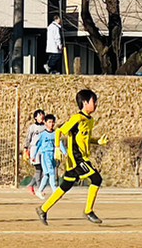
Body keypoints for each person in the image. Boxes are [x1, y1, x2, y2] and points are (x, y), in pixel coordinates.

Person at [37, 88, 109, 225]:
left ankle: (43, 209)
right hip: (77, 158)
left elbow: (84, 138)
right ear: (85, 102)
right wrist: (57, 148)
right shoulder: (77, 118)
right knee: (96, 178)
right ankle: (88, 211)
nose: (96, 104)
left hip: (81, 158)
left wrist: (97, 141)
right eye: (94, 101)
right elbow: (59, 131)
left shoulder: (90, 120)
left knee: (65, 185)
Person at [33, 113, 59, 197]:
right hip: (45, 155)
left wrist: (65, 152)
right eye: (49, 122)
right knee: (51, 172)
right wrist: (34, 156)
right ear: (45, 123)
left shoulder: (55, 133)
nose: (51, 124)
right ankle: (55, 190)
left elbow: (59, 143)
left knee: (47, 175)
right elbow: (38, 145)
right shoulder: (43, 134)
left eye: (52, 122)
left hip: (52, 154)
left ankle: (39, 191)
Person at [24, 108, 46, 195]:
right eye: (39, 115)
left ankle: (31, 185)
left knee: (42, 170)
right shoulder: (32, 128)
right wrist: (26, 149)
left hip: (43, 150)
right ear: (35, 117)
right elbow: (28, 138)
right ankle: (40, 189)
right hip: (35, 150)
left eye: (42, 114)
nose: (41, 116)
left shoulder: (45, 127)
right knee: (38, 169)